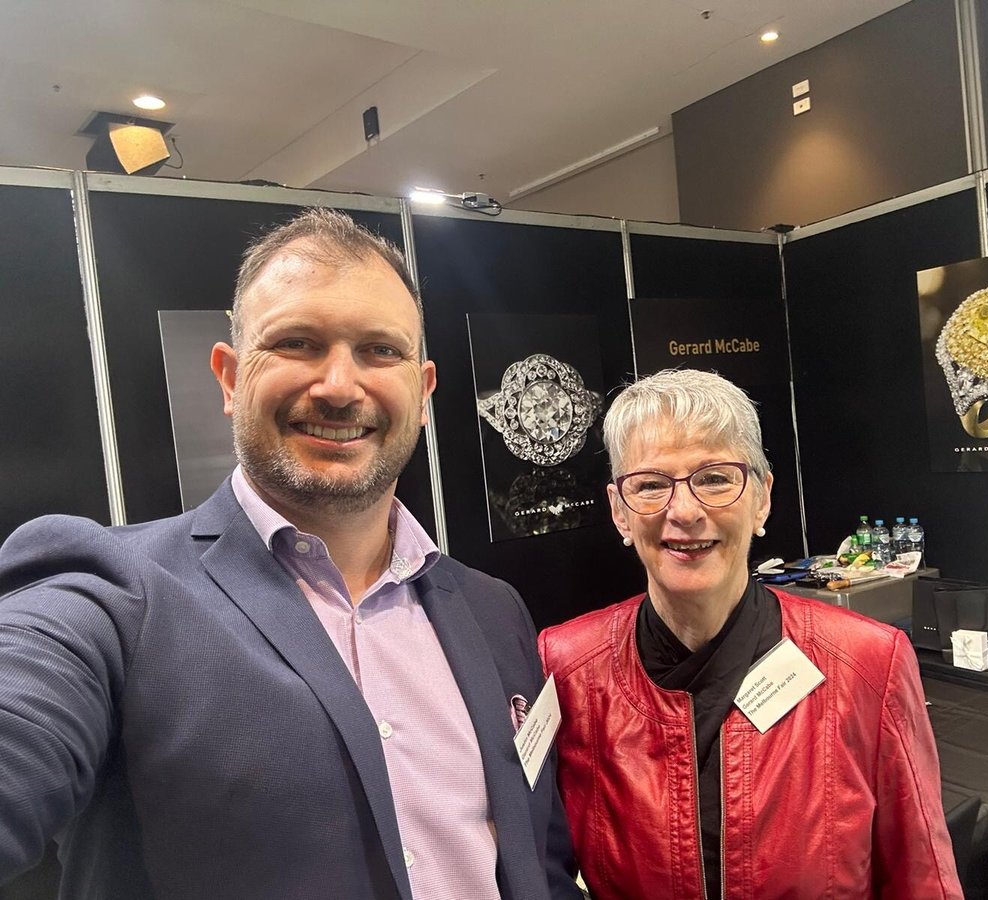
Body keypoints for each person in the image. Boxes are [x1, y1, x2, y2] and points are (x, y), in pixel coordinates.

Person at [0, 208, 580, 900]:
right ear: (229, 377)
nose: (339, 386)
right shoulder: (117, 595)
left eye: (379, 351)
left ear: (423, 394)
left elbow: (534, 856)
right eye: (298, 343)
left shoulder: (491, 609)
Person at [539, 369, 962, 899]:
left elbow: (921, 878)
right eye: (650, 484)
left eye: (715, 478)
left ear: (761, 498)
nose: (685, 511)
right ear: (620, 512)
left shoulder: (867, 662)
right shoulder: (567, 667)